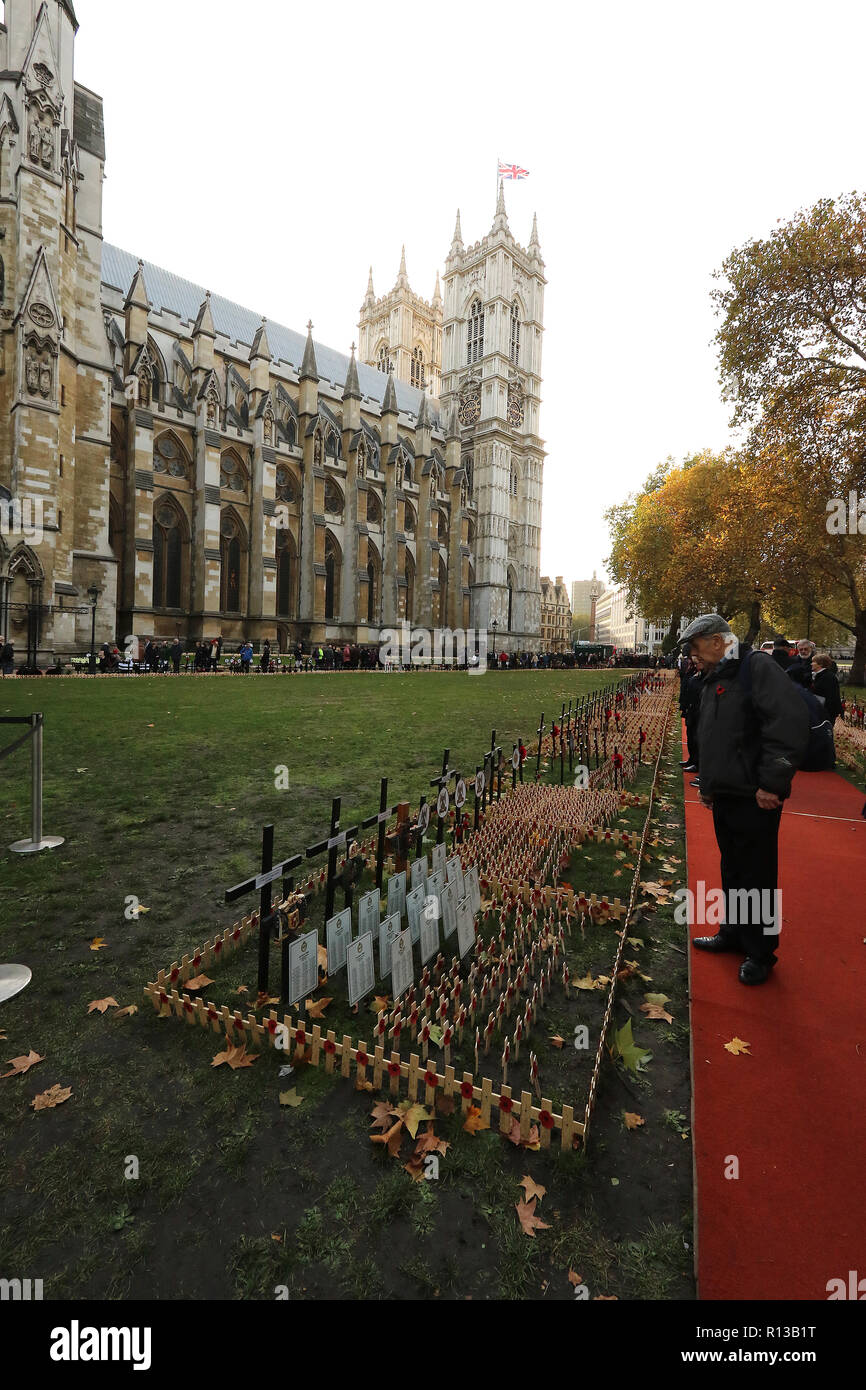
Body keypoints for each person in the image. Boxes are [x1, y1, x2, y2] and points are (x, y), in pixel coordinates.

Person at [681, 613, 809, 986]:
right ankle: (734, 932)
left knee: (758, 874)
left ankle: (761, 952)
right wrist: (709, 783)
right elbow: (713, 735)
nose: (692, 656)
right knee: (733, 868)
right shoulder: (715, 676)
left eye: (695, 647)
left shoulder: (757, 668)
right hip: (726, 793)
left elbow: (788, 726)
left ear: (717, 641)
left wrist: (772, 783)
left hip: (756, 794)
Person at [812, 653, 843, 724]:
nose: (811, 664)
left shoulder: (829, 677)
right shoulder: (818, 675)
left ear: (820, 664)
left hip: (826, 713)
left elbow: (832, 696)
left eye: (813, 662)